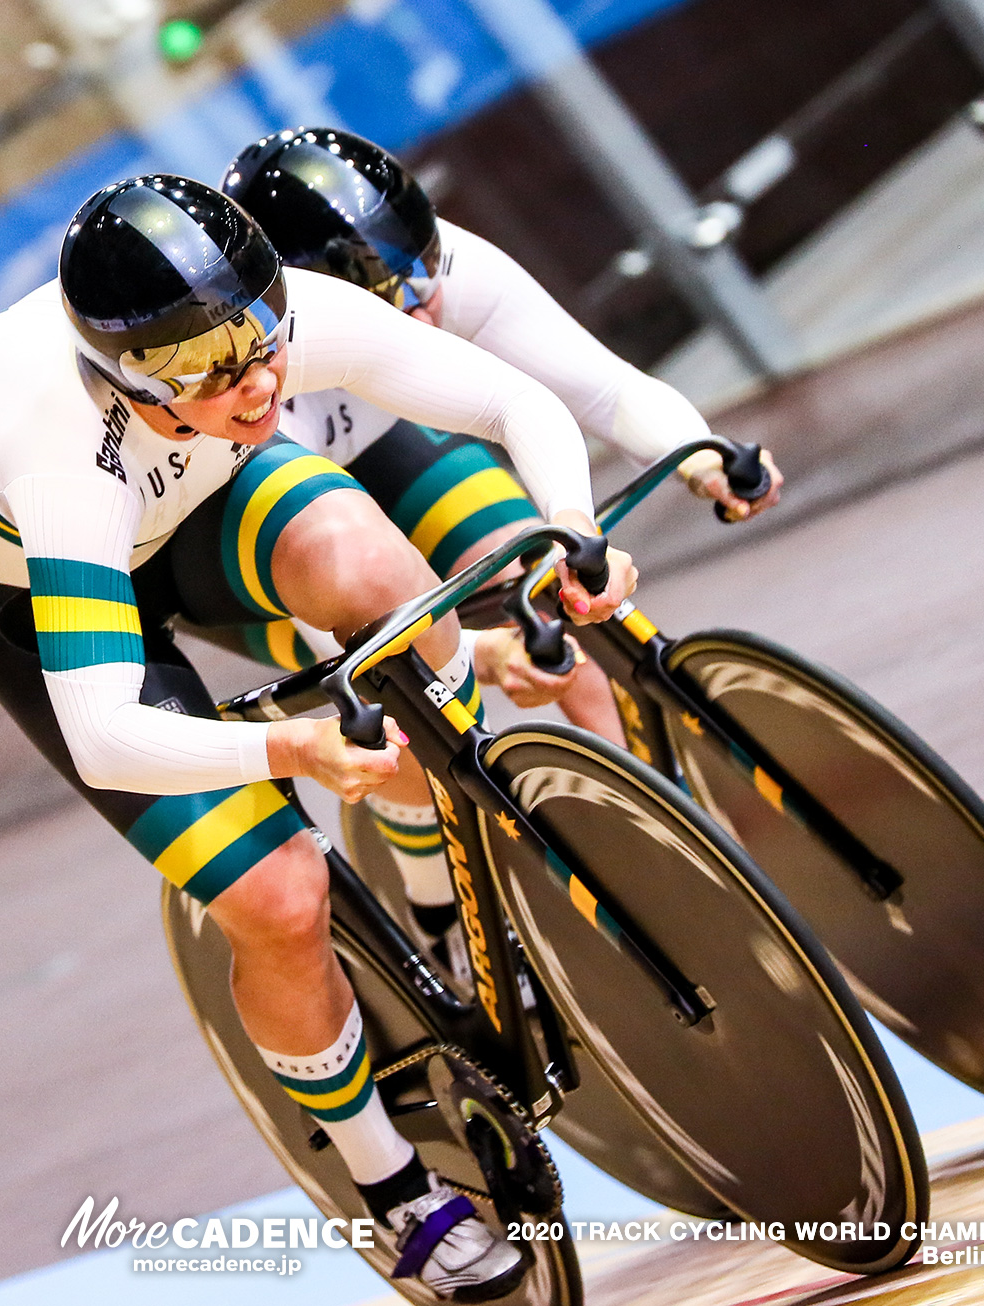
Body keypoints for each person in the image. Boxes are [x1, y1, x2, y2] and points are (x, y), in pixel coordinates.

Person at [0, 174, 635, 1300]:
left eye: (258, 339)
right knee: (279, 895)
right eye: (205, 370)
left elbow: (516, 406)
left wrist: (569, 527)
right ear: (123, 376)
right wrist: (294, 752)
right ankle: (387, 1180)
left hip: (204, 498)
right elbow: (109, 735)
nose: (254, 378)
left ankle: (437, 897)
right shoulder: (65, 456)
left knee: (374, 575)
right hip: (49, 596)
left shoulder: (276, 324)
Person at [220, 127, 783, 950]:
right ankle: (441, 921)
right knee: (409, 695)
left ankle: (670, 841)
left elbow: (601, 387)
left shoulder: (444, 265)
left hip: (389, 445)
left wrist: (698, 461)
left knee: (547, 585)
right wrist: (477, 657)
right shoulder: (249, 382)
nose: (425, 301)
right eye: (391, 297)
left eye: (423, 264)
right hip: (273, 519)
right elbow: (331, 615)